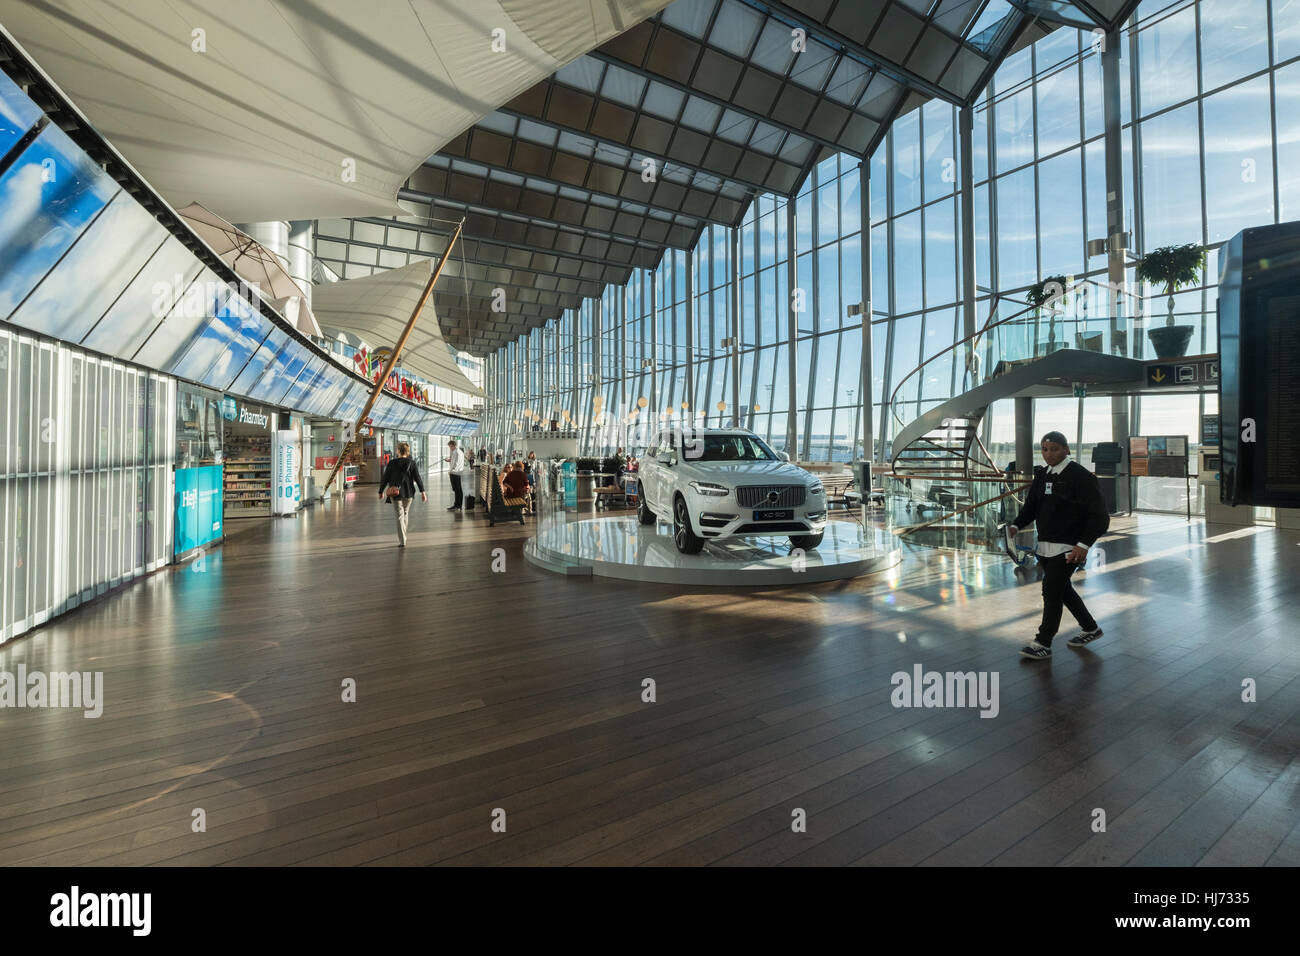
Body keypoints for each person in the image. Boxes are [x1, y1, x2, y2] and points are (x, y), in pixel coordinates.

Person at [1008, 431, 1109, 660]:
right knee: (1062, 590)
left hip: (1069, 547)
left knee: (1051, 590)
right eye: (1044, 449)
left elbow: (1100, 517)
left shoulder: (1081, 477)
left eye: (1054, 449)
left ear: (1066, 450)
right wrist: (1016, 525)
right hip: (1046, 545)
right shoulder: (1043, 475)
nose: (1049, 454)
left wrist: (1083, 545)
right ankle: (1090, 628)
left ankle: (1043, 642)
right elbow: (1032, 506)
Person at [378, 442, 426, 547]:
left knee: (400, 516)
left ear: (398, 450)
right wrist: (423, 492)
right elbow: (418, 478)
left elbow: (385, 478)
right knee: (405, 513)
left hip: (395, 493)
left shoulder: (392, 463)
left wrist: (381, 491)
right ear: (407, 451)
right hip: (409, 493)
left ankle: (402, 540)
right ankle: (404, 535)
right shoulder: (412, 463)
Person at [443, 439, 464, 511]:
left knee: (456, 490)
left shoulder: (455, 452)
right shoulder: (460, 452)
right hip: (458, 472)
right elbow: (456, 461)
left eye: (450, 447)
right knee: (459, 490)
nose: (450, 448)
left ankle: (457, 505)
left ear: (453, 445)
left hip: (454, 473)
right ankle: (459, 505)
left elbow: (454, 463)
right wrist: (449, 460)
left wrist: (450, 471)